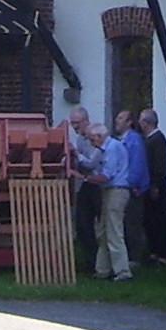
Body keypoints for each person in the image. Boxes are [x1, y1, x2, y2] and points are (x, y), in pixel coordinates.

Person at [91, 118, 135, 281]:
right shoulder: (107, 148)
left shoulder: (112, 148)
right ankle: (102, 269)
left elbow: (106, 176)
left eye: (92, 138)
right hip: (109, 191)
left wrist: (86, 178)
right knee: (103, 231)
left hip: (116, 191)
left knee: (114, 231)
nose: (91, 142)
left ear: (99, 136)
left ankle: (123, 271)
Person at [64, 103, 101, 268]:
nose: (74, 127)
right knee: (82, 223)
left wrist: (76, 154)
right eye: (72, 124)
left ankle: (101, 263)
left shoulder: (96, 135)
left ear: (86, 120)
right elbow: (82, 165)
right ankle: (90, 260)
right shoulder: (80, 139)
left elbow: (93, 162)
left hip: (100, 183)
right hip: (87, 183)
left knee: (102, 223)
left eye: (77, 123)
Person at [114, 109, 150, 263]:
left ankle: (134, 258)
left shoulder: (134, 140)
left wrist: (132, 184)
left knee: (132, 223)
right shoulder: (121, 140)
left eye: (121, 118)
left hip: (132, 189)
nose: (117, 121)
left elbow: (137, 163)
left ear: (129, 122)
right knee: (124, 222)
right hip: (123, 187)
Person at [139, 108, 166, 265]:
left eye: (141, 120)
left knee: (158, 219)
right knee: (150, 219)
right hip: (150, 184)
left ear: (147, 123)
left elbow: (160, 165)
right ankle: (153, 251)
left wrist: (155, 185)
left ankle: (162, 254)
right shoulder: (149, 140)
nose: (139, 123)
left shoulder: (158, 140)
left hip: (156, 185)